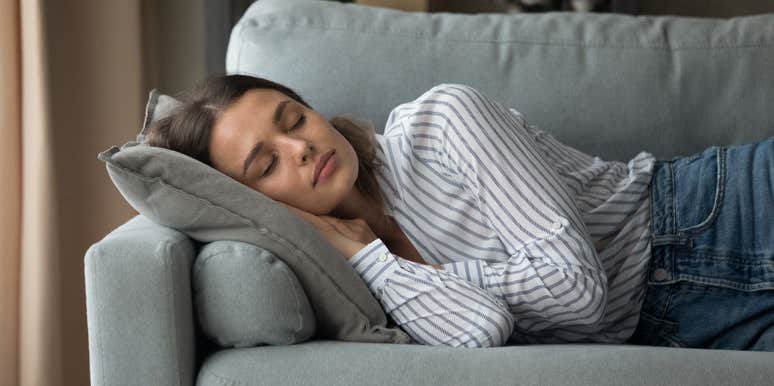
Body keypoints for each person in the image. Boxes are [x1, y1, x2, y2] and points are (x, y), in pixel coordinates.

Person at [146, 74, 774, 351]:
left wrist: (428, 275)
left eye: (295, 119)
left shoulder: (442, 121)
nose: (302, 146)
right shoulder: (348, 270)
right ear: (257, 202)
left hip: (714, 213)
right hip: (678, 328)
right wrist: (371, 259)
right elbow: (481, 331)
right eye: (266, 165)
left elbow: (578, 291)